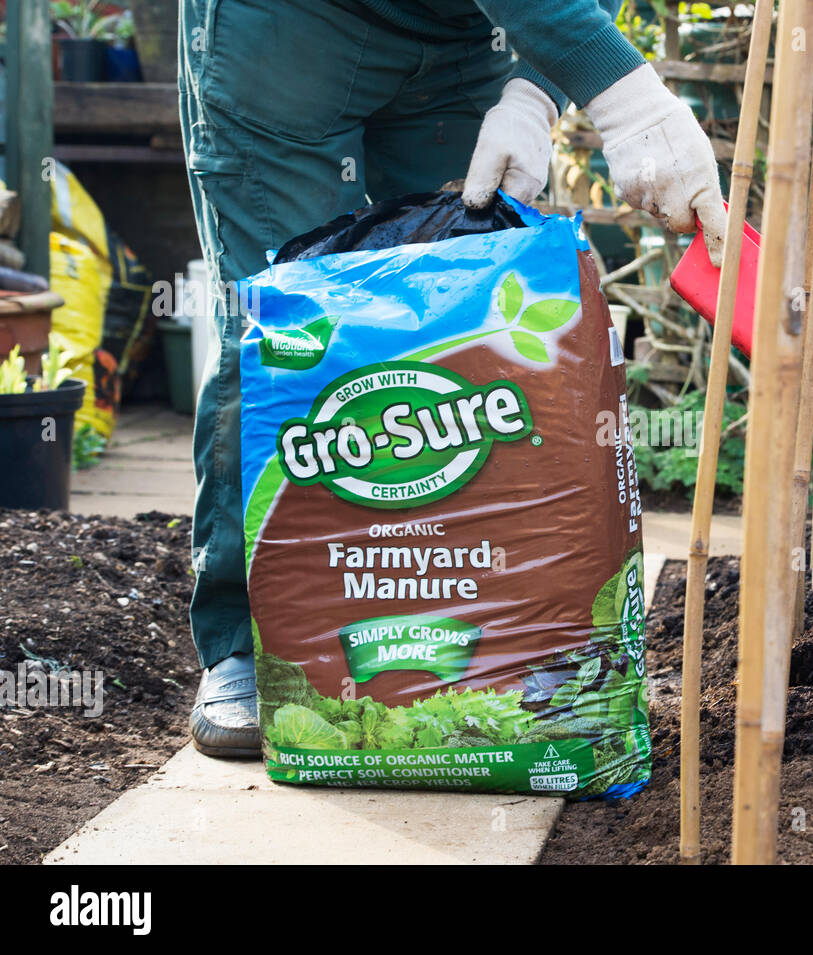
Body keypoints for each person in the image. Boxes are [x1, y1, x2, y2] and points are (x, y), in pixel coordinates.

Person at [181, 0, 727, 756]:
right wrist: (625, 93)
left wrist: (536, 88)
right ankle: (250, 638)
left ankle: (459, 633)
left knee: (461, 304)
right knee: (286, 324)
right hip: (285, 36)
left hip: (472, 25)